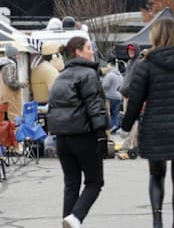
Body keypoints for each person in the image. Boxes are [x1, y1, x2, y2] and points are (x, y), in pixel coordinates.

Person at [121, 18, 174, 228]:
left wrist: (125, 125)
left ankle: (157, 221)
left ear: (155, 36)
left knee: (156, 175)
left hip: (155, 127)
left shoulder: (146, 63)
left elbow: (135, 99)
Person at [46, 37, 109, 228]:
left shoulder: (60, 76)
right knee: (94, 182)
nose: (92, 51)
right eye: (89, 48)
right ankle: (76, 218)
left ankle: (69, 220)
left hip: (63, 138)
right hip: (84, 135)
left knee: (71, 184)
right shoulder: (88, 75)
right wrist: (101, 134)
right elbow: (95, 105)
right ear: (78, 52)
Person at [0, 44, 28, 119]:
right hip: (11, 97)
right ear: (13, 55)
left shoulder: (3, 65)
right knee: (13, 117)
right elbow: (11, 82)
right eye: (17, 54)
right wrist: (23, 84)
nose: (18, 57)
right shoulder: (10, 66)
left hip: (4, 96)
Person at [101, 59, 123, 133]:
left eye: (108, 65)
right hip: (119, 97)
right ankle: (115, 126)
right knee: (115, 114)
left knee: (108, 113)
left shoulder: (110, 75)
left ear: (110, 65)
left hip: (110, 97)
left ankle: (109, 128)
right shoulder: (119, 75)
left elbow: (105, 85)